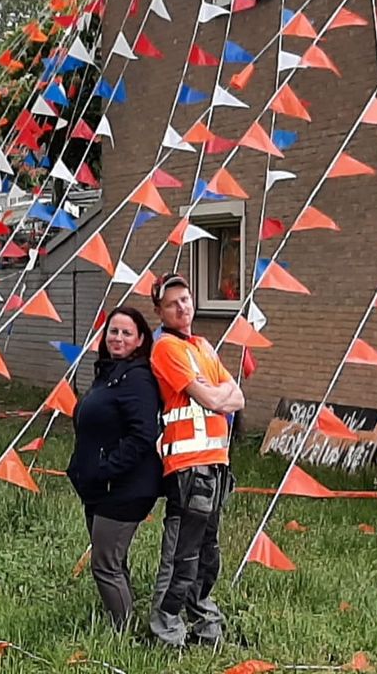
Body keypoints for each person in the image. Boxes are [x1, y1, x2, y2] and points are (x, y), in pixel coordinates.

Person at [148, 273, 245, 648]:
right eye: (172, 303)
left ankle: (206, 627)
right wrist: (217, 393)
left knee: (208, 555)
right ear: (159, 310)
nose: (182, 307)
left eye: (185, 299)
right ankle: (165, 631)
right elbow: (215, 400)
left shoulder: (203, 346)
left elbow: (237, 397)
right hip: (187, 467)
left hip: (216, 465)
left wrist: (218, 393)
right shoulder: (166, 349)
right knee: (181, 555)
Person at [67, 306, 164, 631]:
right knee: (113, 561)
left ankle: (124, 634)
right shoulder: (109, 374)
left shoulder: (137, 378)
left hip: (123, 489)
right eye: (113, 331)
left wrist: (105, 469)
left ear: (139, 340)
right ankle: (124, 618)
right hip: (98, 487)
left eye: (126, 333)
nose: (118, 338)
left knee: (104, 564)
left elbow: (143, 436)